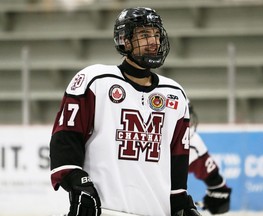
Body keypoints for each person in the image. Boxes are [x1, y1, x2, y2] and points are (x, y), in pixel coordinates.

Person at [49, 7, 202, 216]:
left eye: (156, 35)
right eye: (144, 35)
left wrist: (180, 202)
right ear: (125, 41)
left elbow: (177, 157)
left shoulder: (175, 93)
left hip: (157, 211)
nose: (153, 42)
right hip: (105, 210)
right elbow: (66, 136)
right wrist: (76, 181)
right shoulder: (95, 80)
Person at [188, 104, 232, 215]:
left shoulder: (192, 142)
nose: (187, 121)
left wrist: (219, 192)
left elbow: (213, 179)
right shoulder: (192, 144)